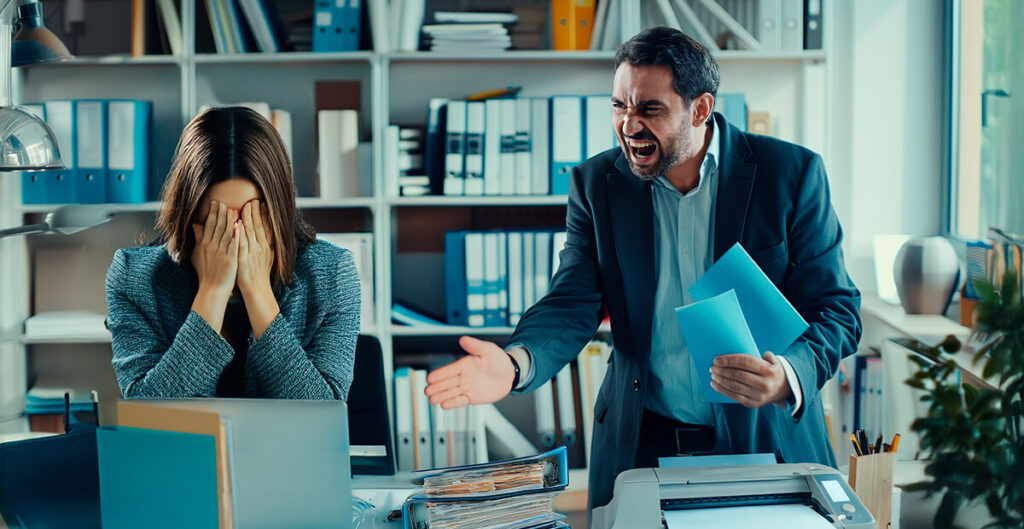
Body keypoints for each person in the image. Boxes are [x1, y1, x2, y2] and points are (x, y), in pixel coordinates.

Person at [424, 27, 861, 509]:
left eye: (649, 109)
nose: (629, 125)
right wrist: (514, 364)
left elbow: (837, 309)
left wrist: (788, 375)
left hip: (763, 443)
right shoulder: (597, 184)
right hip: (642, 444)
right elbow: (573, 301)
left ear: (699, 109)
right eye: (619, 106)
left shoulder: (791, 174)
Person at [106, 106, 361, 400]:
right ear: (190, 211)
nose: (234, 234)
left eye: (247, 217)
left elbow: (322, 415)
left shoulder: (332, 276)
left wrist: (257, 291)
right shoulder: (133, 279)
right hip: (192, 447)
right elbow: (149, 416)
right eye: (217, 220)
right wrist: (212, 292)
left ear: (274, 210)